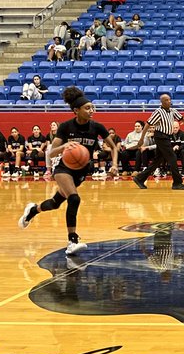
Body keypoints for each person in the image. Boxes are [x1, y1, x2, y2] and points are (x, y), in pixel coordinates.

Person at [19, 86, 119, 256]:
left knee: (55, 203)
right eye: (87, 108)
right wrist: (65, 145)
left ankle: (32, 210)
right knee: (74, 199)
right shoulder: (66, 127)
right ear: (76, 110)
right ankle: (72, 240)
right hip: (64, 168)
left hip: (81, 171)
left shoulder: (97, 127)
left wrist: (114, 164)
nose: (91, 110)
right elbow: (51, 151)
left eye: (92, 107)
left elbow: (114, 147)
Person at [133, 94, 184, 190]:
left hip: (167, 137)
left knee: (157, 160)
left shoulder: (172, 110)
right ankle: (177, 183)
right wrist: (142, 138)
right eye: (167, 100)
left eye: (169, 99)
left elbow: (181, 117)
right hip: (160, 137)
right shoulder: (158, 112)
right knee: (172, 158)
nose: (169, 101)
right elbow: (148, 124)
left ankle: (140, 178)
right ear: (162, 102)